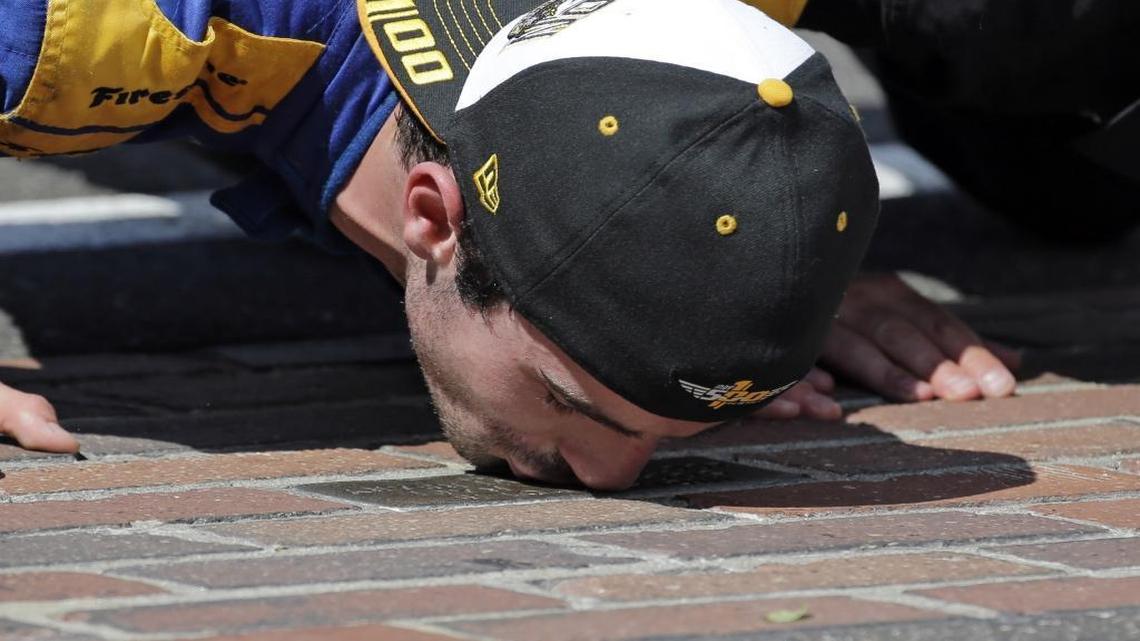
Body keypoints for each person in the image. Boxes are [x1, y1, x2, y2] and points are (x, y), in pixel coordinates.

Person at [1, 0, 1074, 491]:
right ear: (432, 216)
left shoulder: (741, 29)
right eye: (576, 398)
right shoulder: (88, 22)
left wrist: (758, 247)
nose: (610, 478)